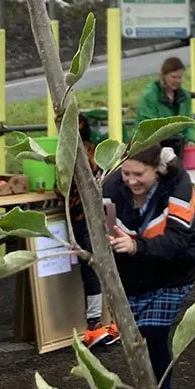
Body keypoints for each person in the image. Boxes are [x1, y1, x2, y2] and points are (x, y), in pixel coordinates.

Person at [105, 144, 195, 389]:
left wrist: (137, 246)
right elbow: (94, 228)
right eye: (126, 173)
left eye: (139, 174)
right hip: (132, 278)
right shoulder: (111, 185)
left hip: (172, 273)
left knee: (155, 336)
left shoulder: (179, 184)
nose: (131, 181)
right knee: (137, 343)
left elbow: (178, 240)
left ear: (156, 170)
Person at [70, 112, 117, 348]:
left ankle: (94, 325)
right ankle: (115, 321)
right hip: (101, 212)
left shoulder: (73, 154)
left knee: (91, 270)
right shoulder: (96, 150)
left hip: (82, 216)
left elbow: (64, 189)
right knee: (107, 263)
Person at [137, 57, 195, 156]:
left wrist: (190, 140)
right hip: (152, 145)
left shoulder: (184, 96)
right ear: (164, 75)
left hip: (177, 144)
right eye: (173, 77)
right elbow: (147, 124)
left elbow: (188, 122)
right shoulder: (150, 95)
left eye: (180, 77)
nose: (177, 81)